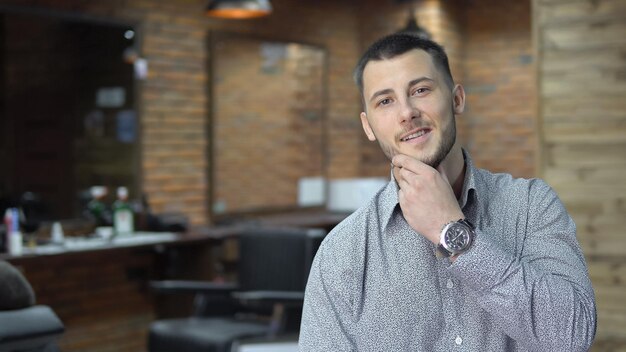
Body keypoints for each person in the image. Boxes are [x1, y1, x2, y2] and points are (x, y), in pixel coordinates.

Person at [299, 33, 596, 351]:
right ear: (368, 126)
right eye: (385, 101)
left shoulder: (531, 205)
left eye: (420, 90)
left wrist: (453, 232)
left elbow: (572, 336)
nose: (407, 112)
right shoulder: (342, 252)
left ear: (457, 99)